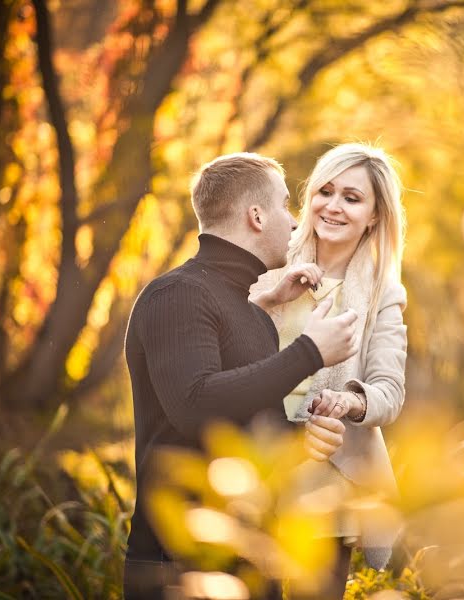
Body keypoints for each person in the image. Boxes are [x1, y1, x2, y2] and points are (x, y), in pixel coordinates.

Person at [122, 152, 359, 599]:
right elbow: (195, 405)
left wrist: (300, 438)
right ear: (255, 215)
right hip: (177, 567)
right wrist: (311, 351)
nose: (294, 224)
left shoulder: (250, 312)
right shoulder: (176, 294)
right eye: (284, 206)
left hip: (251, 562)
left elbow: (237, 427)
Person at [250, 142, 408, 598]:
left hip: (327, 480)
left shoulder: (384, 293)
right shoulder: (267, 262)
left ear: (374, 216)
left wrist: (353, 401)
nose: (332, 207)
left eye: (352, 198)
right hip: (256, 464)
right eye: (326, 191)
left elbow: (389, 391)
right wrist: (267, 297)